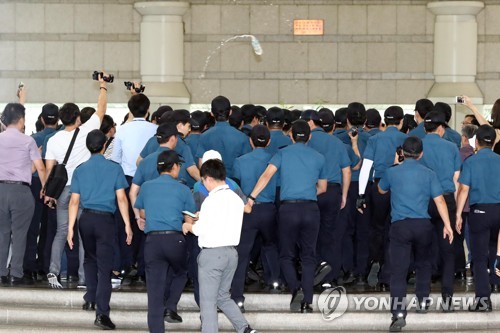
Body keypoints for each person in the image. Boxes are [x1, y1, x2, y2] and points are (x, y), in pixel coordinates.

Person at [247, 120, 327, 313]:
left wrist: (251, 197)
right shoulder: (319, 157)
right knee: (308, 256)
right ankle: (307, 301)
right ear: (310, 137)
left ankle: (295, 287)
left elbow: (266, 176)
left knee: (286, 255)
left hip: (288, 209)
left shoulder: (282, 153)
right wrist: (306, 193)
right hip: (310, 209)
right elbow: (322, 188)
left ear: (290, 136)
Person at [378, 136, 453, 332]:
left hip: (400, 226)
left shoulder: (392, 172)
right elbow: (440, 201)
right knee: (424, 264)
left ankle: (398, 313)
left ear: (401, 152)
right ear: (421, 154)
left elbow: (380, 190)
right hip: (423, 225)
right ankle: (422, 301)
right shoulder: (429, 173)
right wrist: (448, 225)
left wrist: (395, 165)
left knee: (398, 270)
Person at [45, 74, 109, 288]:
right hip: (82, 191)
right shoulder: (85, 133)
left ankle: (53, 271)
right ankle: (84, 277)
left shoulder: (53, 140)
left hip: (62, 191)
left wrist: (48, 193)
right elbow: (101, 110)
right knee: (83, 234)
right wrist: (103, 86)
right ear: (78, 118)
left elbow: (48, 170)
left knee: (61, 231)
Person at [182, 158, 259, 333]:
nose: (204, 185)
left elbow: (200, 229)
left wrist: (188, 226)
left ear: (208, 178)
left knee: (208, 303)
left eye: (203, 181)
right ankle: (245, 329)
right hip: (231, 254)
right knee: (223, 297)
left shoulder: (211, 200)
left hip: (212, 256)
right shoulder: (236, 198)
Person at [66, 129, 132, 330]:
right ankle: (102, 314)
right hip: (105, 220)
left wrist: (70, 229)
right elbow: (121, 198)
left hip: (85, 219)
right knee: (105, 267)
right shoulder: (114, 168)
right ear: (104, 146)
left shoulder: (80, 169)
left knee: (89, 259)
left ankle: (90, 298)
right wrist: (128, 224)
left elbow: (74, 202)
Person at [134, 150, 196, 333]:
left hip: (152, 241)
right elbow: (189, 219)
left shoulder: (146, 186)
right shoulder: (183, 188)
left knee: (154, 292)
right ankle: (170, 305)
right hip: (174, 239)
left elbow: (142, 212)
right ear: (175, 167)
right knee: (182, 271)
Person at [231, 125, 280, 311]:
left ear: (250, 141)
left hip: (246, 211)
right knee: (271, 245)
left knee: (242, 253)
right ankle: (274, 282)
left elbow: (236, 188)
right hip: (268, 209)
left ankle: (237, 297)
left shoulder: (239, 161)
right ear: (269, 141)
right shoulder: (274, 160)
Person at [357, 106, 408, 290]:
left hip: (378, 186)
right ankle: (388, 273)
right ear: (401, 121)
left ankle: (372, 262)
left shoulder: (375, 138)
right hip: (400, 184)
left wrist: (361, 194)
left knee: (376, 228)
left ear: (383, 122)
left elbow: (365, 168)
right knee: (393, 230)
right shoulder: (406, 139)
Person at [300, 110, 352, 288]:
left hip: (310, 192)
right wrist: (344, 195)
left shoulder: (305, 142)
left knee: (309, 234)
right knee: (331, 235)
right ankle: (330, 277)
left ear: (311, 123)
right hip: (332, 192)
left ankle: (312, 271)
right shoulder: (338, 143)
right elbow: (347, 170)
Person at [0, 103, 47, 285]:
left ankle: (1, 273)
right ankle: (16, 274)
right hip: (21, 191)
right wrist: (45, 189)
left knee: (2, 233)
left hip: (1, 190)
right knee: (20, 234)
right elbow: (40, 167)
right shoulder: (28, 141)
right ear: (21, 120)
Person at [420, 111, 461, 311]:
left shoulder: (417, 145)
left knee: (424, 250)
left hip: (423, 201)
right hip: (445, 200)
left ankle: (423, 297)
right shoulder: (452, 147)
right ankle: (447, 297)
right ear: (441, 128)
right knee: (448, 250)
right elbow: (456, 178)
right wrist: (456, 212)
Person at [456, 125, 500, 311]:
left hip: (479, 212)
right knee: (494, 249)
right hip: (499, 210)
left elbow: (464, 189)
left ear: (477, 141)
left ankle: (483, 300)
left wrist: (458, 214)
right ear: (494, 142)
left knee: (479, 257)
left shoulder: (471, 162)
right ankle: (495, 282)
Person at [24, 102, 60, 282]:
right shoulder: (62, 138)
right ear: (58, 119)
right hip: (56, 187)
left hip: (34, 185)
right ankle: (46, 265)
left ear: (41, 119)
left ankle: (29, 265)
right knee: (51, 228)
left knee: (32, 227)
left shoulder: (33, 139)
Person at [196, 96, 252, 178]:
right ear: (230, 112)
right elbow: (247, 164)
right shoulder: (242, 137)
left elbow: (201, 163)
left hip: (212, 183)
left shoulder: (204, 136)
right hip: (235, 184)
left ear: (211, 113)